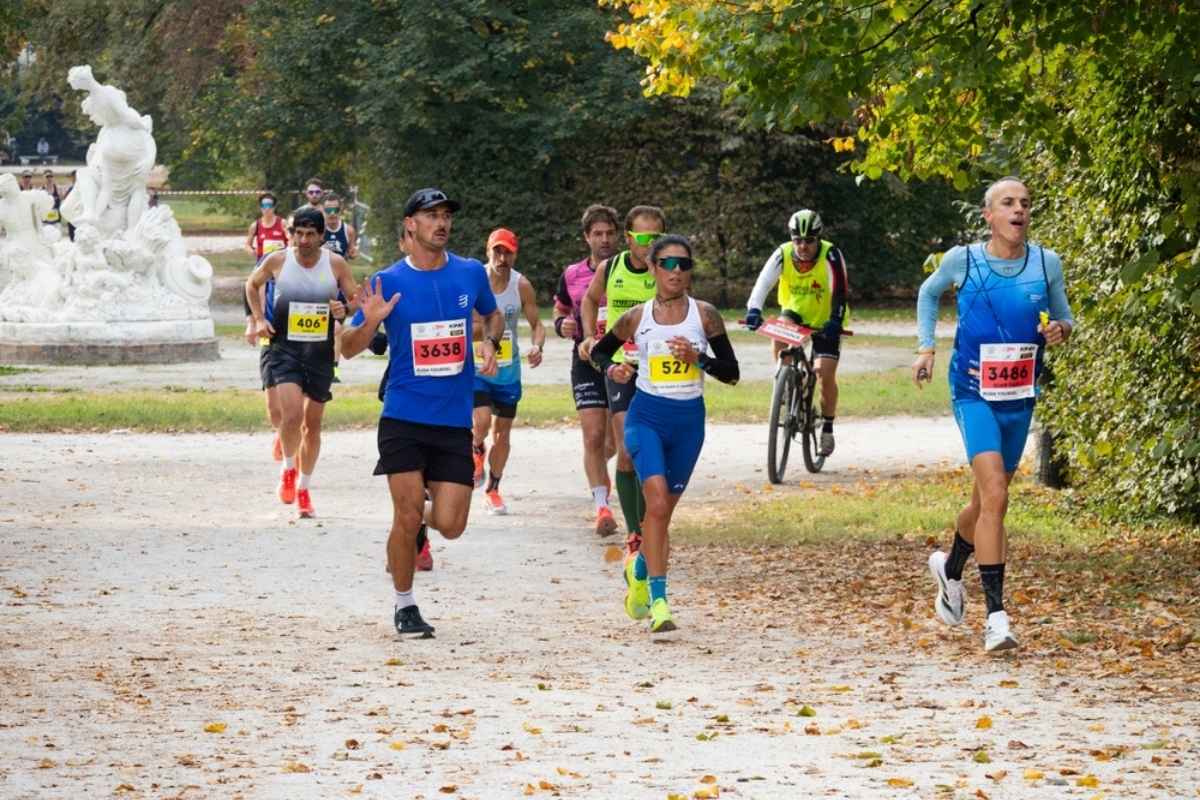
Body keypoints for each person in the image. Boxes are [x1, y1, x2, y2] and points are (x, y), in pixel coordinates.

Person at [914, 176, 1074, 653]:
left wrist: (1061, 330)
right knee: (998, 494)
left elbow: (1066, 317)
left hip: (1020, 394)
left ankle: (950, 568)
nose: (1018, 209)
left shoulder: (1046, 263)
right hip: (972, 392)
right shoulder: (964, 260)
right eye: (1008, 203)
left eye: (1025, 203)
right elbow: (927, 294)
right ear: (989, 215)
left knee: (985, 503)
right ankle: (997, 618)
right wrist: (926, 348)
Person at [341, 187, 505, 638]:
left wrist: (490, 342)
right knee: (407, 514)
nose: (442, 222)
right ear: (410, 224)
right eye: (432, 214)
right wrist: (371, 320)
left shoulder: (471, 273)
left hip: (453, 419)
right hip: (404, 416)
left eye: (447, 215)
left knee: (451, 525)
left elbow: (493, 316)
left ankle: (418, 517)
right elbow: (347, 348)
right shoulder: (387, 281)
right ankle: (404, 604)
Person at [588, 234, 740, 633]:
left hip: (688, 425)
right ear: (653, 268)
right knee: (654, 503)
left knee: (662, 514)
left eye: (684, 264)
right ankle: (659, 602)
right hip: (646, 418)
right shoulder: (637, 318)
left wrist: (699, 359)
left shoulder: (704, 315)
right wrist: (613, 369)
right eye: (668, 264)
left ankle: (639, 566)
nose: (677, 271)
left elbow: (732, 373)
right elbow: (600, 350)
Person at [245, 207, 359, 519]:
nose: (304, 240)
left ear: (322, 236)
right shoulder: (278, 260)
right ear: (292, 234)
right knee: (291, 415)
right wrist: (257, 320)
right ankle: (288, 469)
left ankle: (305, 489)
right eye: (299, 233)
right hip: (285, 349)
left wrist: (342, 310)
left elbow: (354, 299)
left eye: (311, 234)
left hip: (320, 352)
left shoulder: (335, 263)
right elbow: (251, 285)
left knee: (314, 425)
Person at [578, 205, 666, 554]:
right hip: (621, 366)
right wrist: (589, 337)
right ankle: (636, 533)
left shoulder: (666, 270)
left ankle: (653, 517)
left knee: (655, 451)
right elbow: (588, 298)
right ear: (629, 238)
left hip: (658, 367)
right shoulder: (610, 267)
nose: (649, 244)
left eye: (656, 237)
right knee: (628, 450)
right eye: (643, 237)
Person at [745, 209, 850, 457]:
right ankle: (784, 381)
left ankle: (827, 427)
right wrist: (753, 310)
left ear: (818, 239)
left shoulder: (831, 254)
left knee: (825, 372)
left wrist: (835, 320)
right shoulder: (782, 254)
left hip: (827, 318)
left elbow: (840, 291)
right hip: (794, 313)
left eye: (809, 241)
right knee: (779, 333)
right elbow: (763, 283)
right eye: (798, 240)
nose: (803, 246)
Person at [554, 204, 621, 536]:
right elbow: (561, 308)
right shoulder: (571, 274)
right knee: (593, 436)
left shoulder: (628, 270)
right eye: (598, 234)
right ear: (586, 237)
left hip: (623, 361)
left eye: (610, 233)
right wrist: (561, 325)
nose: (604, 239)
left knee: (614, 442)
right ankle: (602, 506)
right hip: (586, 361)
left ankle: (599, 471)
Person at [471, 227, 546, 514]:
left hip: (508, 371)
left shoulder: (521, 285)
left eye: (508, 252)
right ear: (488, 251)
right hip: (478, 366)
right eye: (497, 251)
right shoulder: (473, 280)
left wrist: (537, 346)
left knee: (502, 433)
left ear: (515, 254)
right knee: (480, 422)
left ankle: (493, 489)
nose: (502, 257)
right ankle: (476, 447)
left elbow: (537, 324)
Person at [243, 192, 290, 459]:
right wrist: (256, 321)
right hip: (269, 333)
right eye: (263, 204)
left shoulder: (312, 265)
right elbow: (250, 289)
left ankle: (290, 448)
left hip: (298, 338)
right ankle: (279, 430)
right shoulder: (268, 265)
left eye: (270, 203)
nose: (267, 207)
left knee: (298, 402)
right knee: (273, 407)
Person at [321, 192, 359, 260]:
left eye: (336, 210)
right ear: (323, 210)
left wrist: (353, 253)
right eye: (328, 210)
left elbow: (352, 253)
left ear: (340, 209)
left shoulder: (349, 231)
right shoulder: (317, 229)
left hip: (339, 269)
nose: (332, 213)